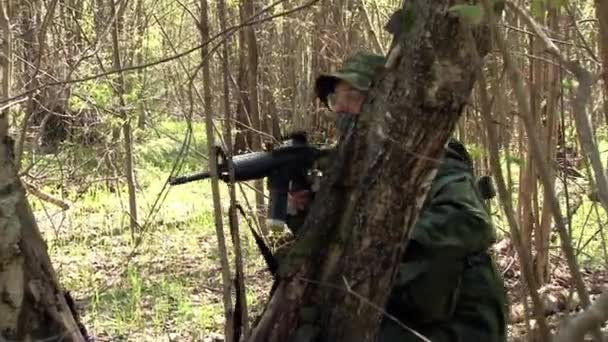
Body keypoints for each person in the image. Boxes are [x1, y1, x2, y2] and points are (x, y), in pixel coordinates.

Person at [286, 51, 508, 341]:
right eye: (334, 100)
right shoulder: (354, 164)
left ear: (385, 101)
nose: (340, 108)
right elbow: (336, 236)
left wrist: (378, 243)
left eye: (352, 96)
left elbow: (468, 220)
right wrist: (302, 209)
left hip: (460, 316)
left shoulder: (429, 154)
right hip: (399, 306)